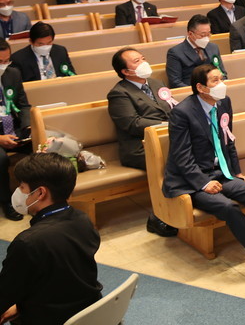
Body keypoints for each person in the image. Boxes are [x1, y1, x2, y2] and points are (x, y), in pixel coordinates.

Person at [163, 65, 245, 277]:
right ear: (200, 87)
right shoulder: (182, 113)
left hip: (222, 173)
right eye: (215, 81)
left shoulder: (224, 102)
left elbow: (228, 140)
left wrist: (236, 172)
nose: (221, 84)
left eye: (222, 78)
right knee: (226, 206)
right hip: (192, 180)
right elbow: (181, 156)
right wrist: (203, 182)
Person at [0, 153, 102, 324]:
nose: (18, 192)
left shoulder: (28, 243)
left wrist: (21, 306)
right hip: (90, 312)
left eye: (22, 187)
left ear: (40, 193)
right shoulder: (83, 219)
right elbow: (64, 278)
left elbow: (4, 295)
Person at [106, 47, 179, 237]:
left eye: (143, 58)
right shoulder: (119, 93)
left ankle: (187, 206)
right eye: (136, 61)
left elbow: (171, 107)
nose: (143, 63)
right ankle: (159, 217)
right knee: (176, 162)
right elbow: (132, 123)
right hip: (139, 147)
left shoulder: (156, 83)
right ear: (125, 71)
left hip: (165, 139)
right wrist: (166, 124)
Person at [0, 40, 31, 221]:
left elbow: (23, 104)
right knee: (1, 159)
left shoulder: (13, 73)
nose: (4, 66)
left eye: (6, 61)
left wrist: (27, 126)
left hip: (15, 128)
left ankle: (38, 196)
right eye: (0, 61)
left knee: (44, 144)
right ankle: (6, 201)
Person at [165, 15, 226, 88]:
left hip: (215, 88)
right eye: (202, 35)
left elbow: (222, 73)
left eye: (208, 34)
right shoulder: (175, 53)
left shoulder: (213, 47)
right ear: (190, 34)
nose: (206, 38)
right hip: (191, 92)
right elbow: (175, 82)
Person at [10, 22, 74, 82]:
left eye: (49, 43)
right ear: (31, 42)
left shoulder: (60, 51)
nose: (45, 47)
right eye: (41, 44)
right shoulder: (18, 59)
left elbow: (72, 75)